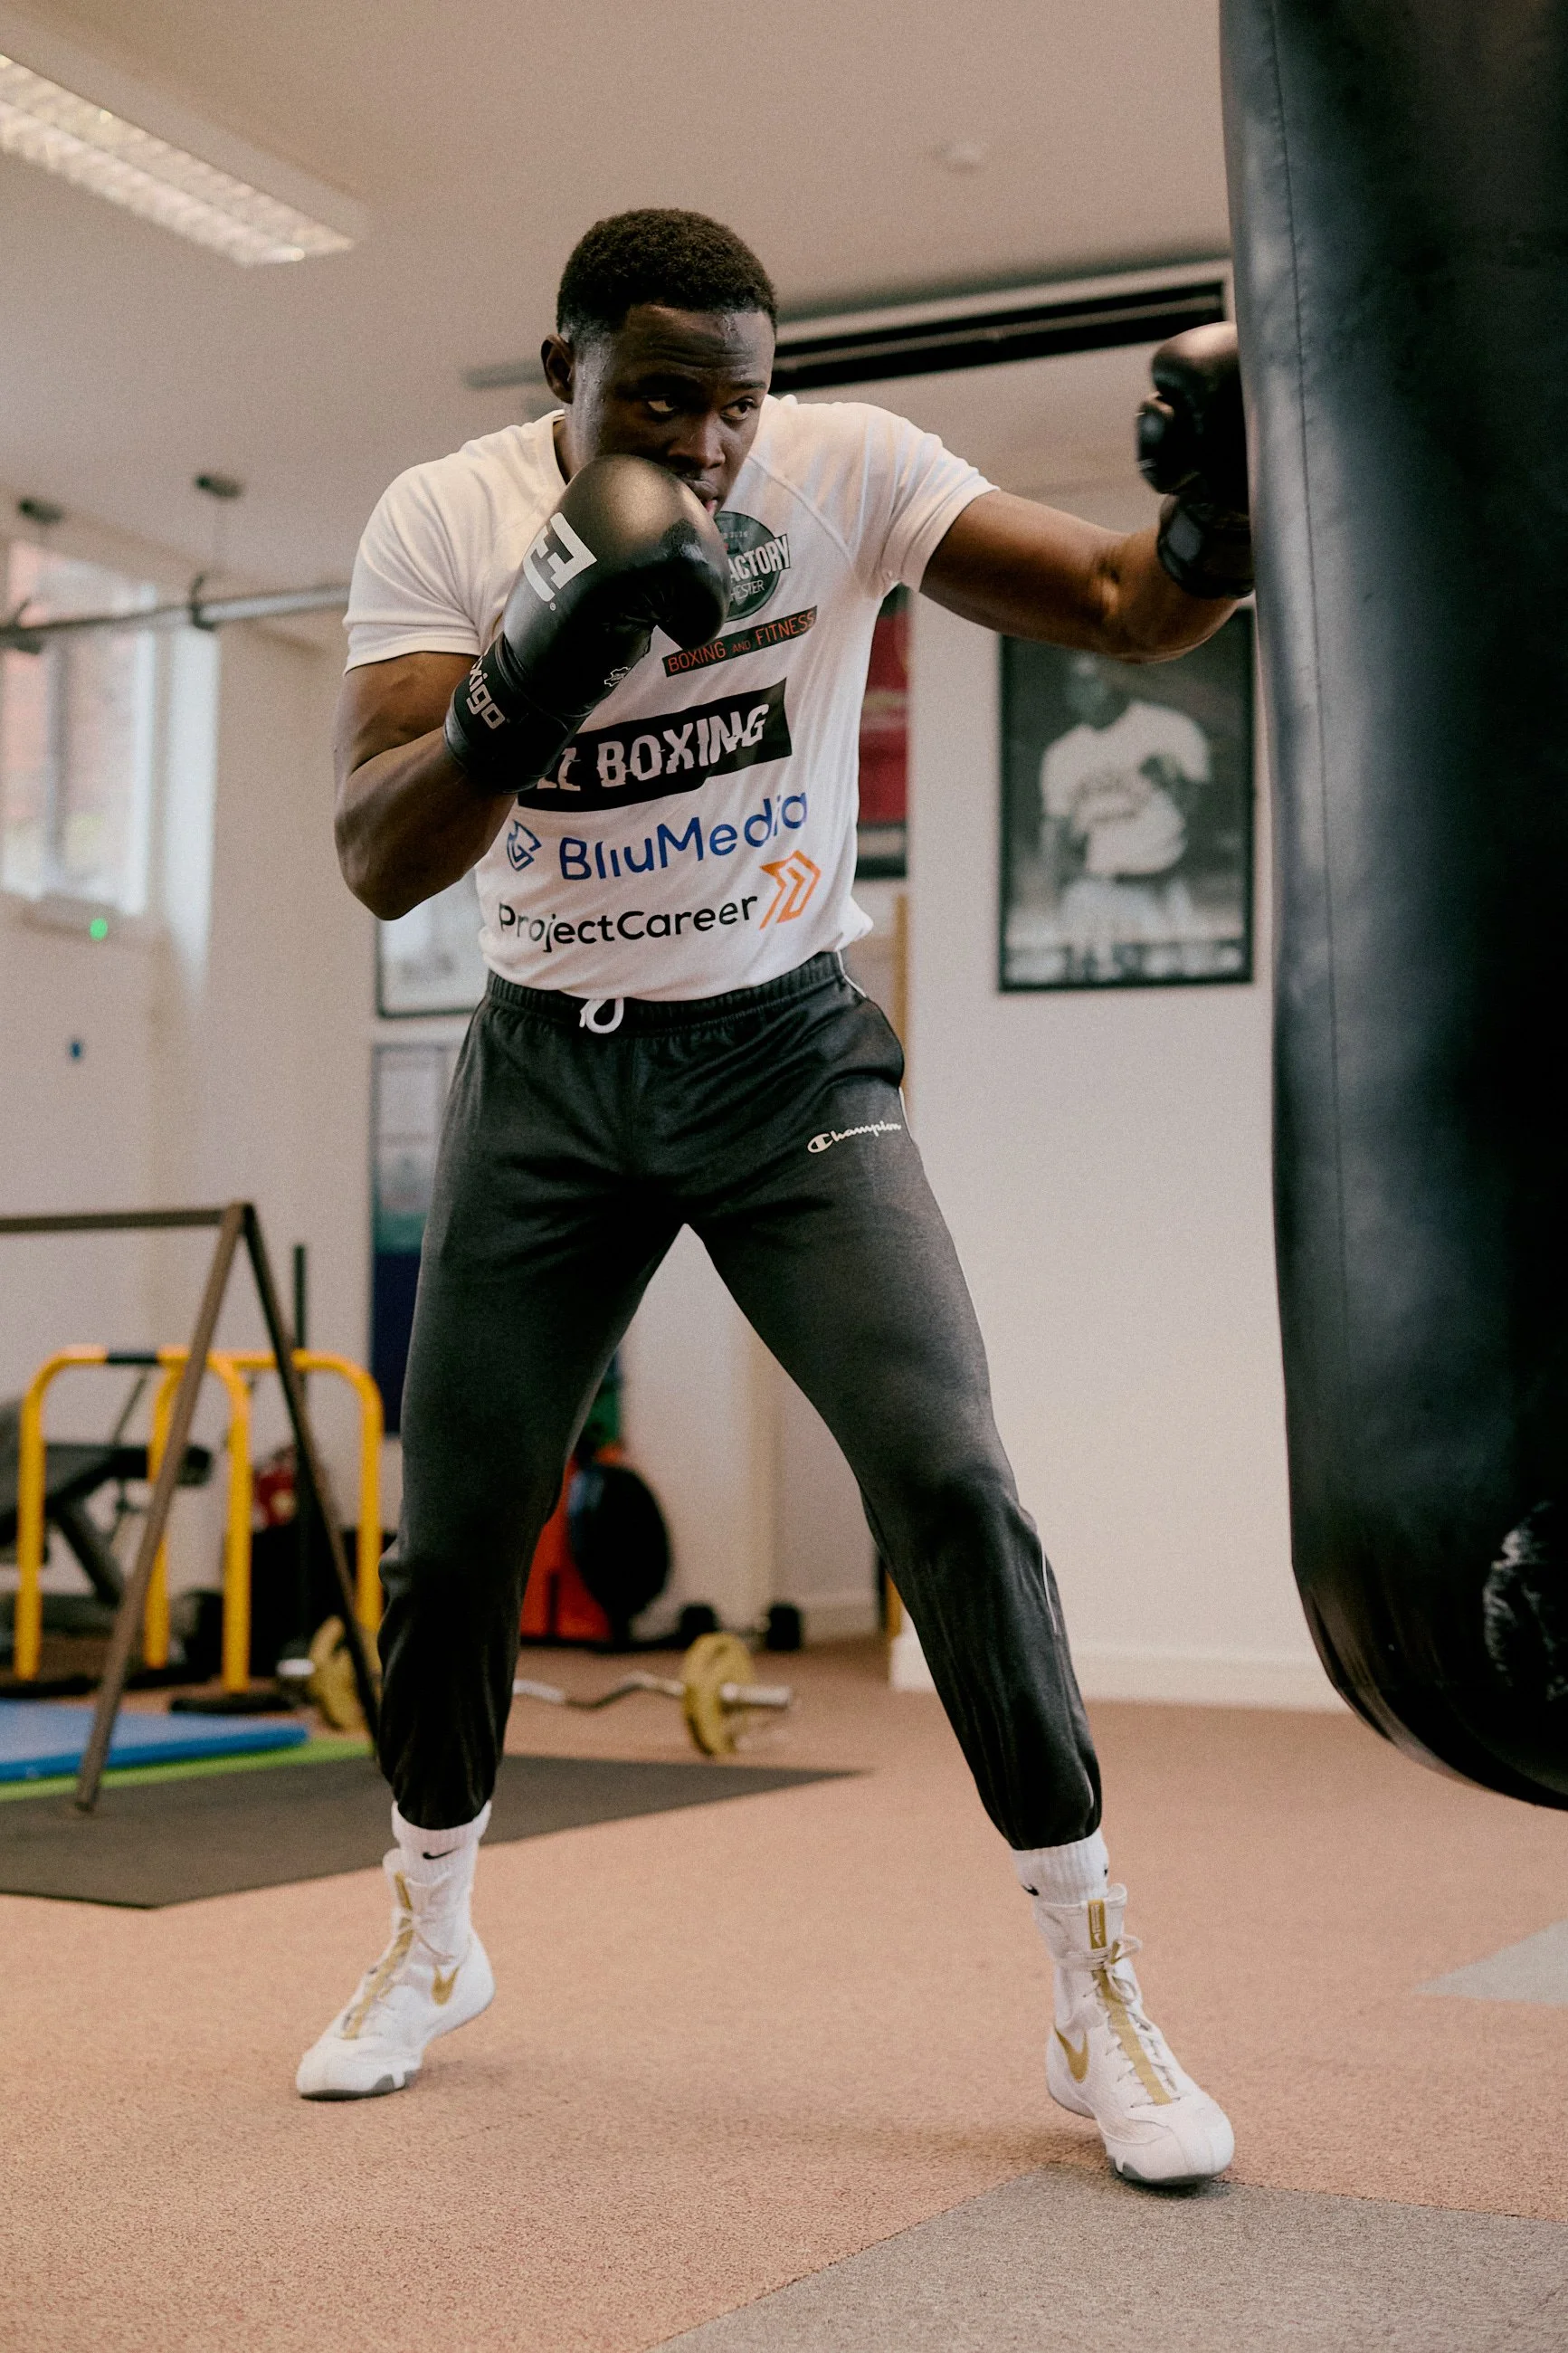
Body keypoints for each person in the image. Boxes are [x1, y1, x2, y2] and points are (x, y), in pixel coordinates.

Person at [300, 210, 1250, 2189]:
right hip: (543, 1068)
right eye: (659, 397)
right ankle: (430, 1931)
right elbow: (381, 855)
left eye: (735, 402)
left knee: (948, 1476)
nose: (710, 446)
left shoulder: (849, 469)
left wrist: (1208, 536)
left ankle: (1096, 1989)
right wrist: (533, 665)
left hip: (782, 1054)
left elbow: (1111, 604)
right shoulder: (442, 515)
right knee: (457, 1529)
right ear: (557, 367)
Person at [1038, 652, 1212, 968]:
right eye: (1077, 682)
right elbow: (1055, 835)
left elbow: (1207, 815)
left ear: (1119, 675)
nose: (1086, 691)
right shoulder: (1062, 754)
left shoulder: (1172, 729)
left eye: (1095, 678)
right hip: (1097, 889)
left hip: (1164, 885)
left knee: (1176, 982)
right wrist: (1061, 895)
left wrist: (1175, 781)